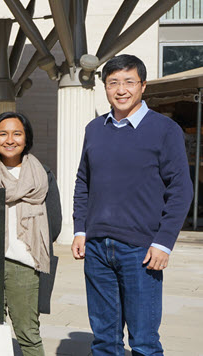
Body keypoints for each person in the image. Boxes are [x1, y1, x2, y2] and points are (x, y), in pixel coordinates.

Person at [71, 54, 192, 355]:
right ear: (105, 87)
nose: (121, 89)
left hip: (141, 250)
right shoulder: (94, 129)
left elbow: (181, 189)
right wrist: (79, 229)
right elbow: (83, 182)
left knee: (145, 342)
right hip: (97, 248)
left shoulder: (165, 130)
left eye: (128, 82)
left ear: (143, 86)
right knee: (104, 342)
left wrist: (163, 243)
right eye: (113, 83)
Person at [0, 112, 61, 356]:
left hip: (25, 264)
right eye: (2, 133)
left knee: (28, 335)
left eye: (17, 133)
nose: (9, 139)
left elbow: (54, 224)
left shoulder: (42, 175)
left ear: (26, 139)